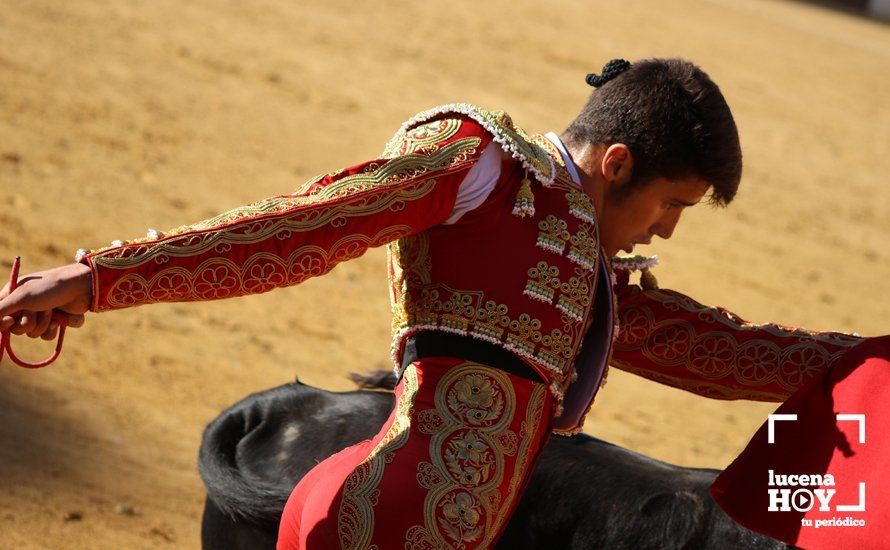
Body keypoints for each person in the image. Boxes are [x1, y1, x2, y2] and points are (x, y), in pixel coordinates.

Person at [0, 58, 877, 549]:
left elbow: (726, 353)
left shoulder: (589, 277)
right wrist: (98, 277)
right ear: (617, 164)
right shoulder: (477, 165)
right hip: (375, 522)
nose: (668, 232)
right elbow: (297, 229)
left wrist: (876, 358)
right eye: (671, 205)